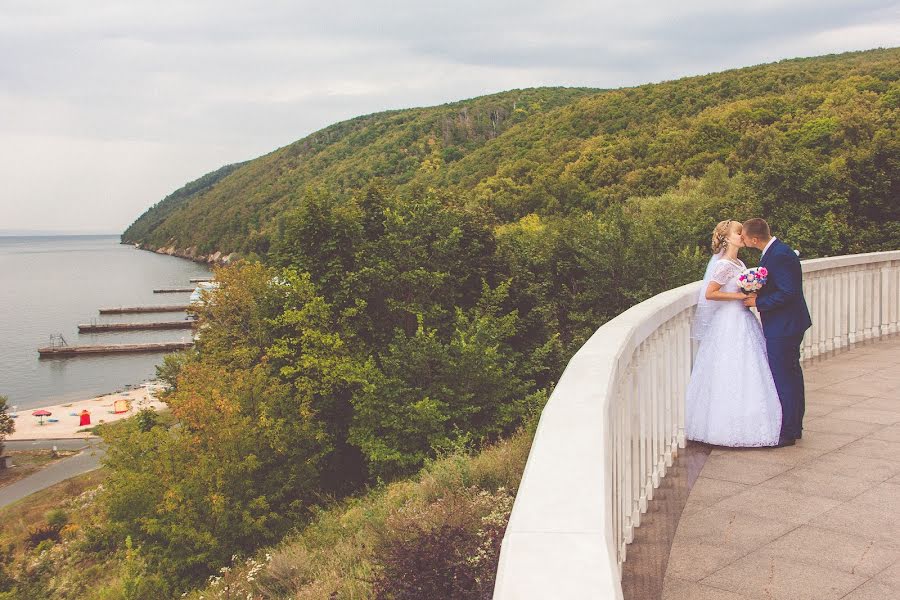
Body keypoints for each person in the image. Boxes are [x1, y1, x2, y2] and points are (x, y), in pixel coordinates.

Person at [686, 219, 782, 447]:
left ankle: (750, 423)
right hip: (729, 321)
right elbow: (710, 293)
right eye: (738, 232)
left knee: (748, 370)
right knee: (729, 370)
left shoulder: (738, 262)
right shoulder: (723, 265)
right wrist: (740, 297)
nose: (743, 235)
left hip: (743, 320)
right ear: (727, 238)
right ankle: (723, 427)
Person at [742, 218, 812, 446]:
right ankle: (794, 426)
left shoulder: (779, 255)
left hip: (784, 326)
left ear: (754, 239)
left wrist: (757, 301)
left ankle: (788, 432)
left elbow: (788, 292)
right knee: (791, 374)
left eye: (744, 236)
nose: (742, 240)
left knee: (784, 378)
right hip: (788, 324)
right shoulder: (776, 251)